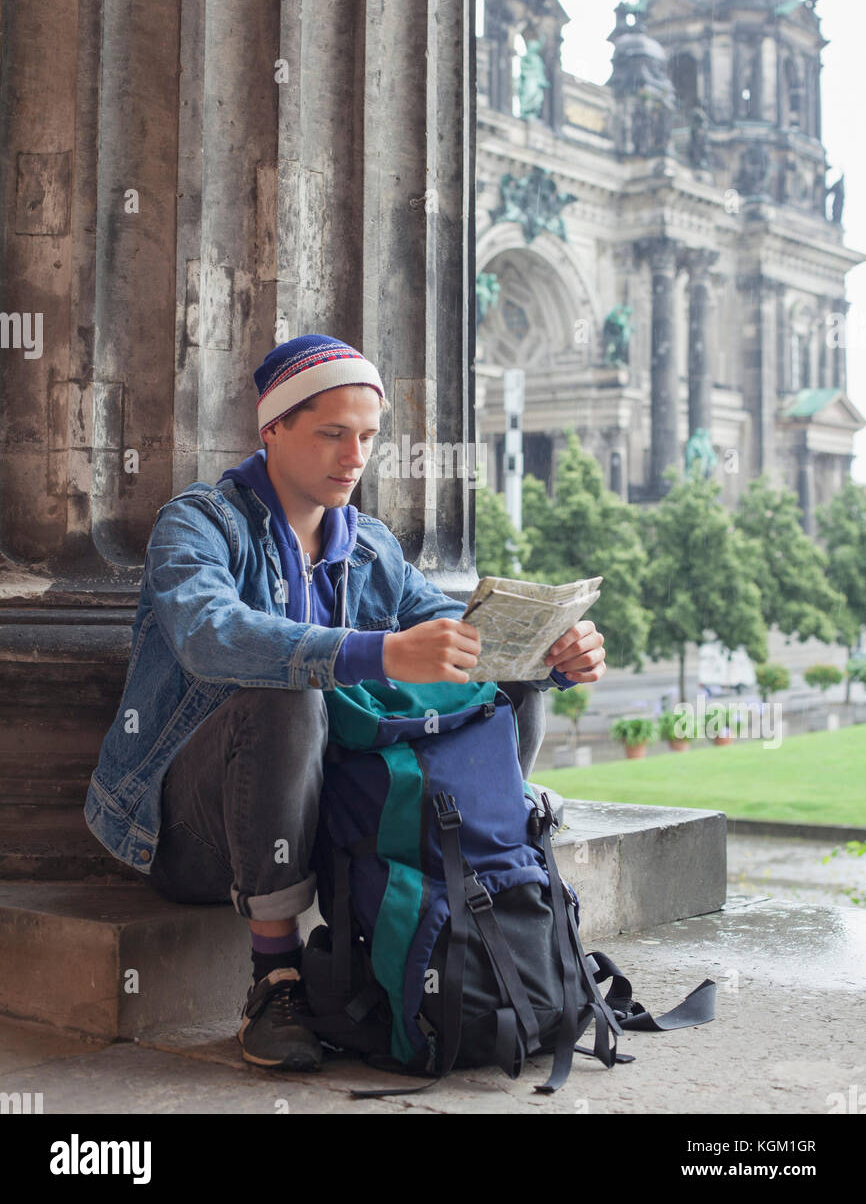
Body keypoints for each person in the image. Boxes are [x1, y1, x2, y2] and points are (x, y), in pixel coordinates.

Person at [84, 334, 607, 1071]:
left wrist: (552, 657)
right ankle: (276, 978)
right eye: (332, 433)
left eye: (366, 437)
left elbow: (464, 639)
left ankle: (480, 882)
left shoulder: (372, 548)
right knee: (288, 691)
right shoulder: (198, 524)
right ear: (273, 430)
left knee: (501, 682)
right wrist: (375, 651)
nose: (353, 455)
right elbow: (212, 635)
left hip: (320, 818)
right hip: (190, 836)